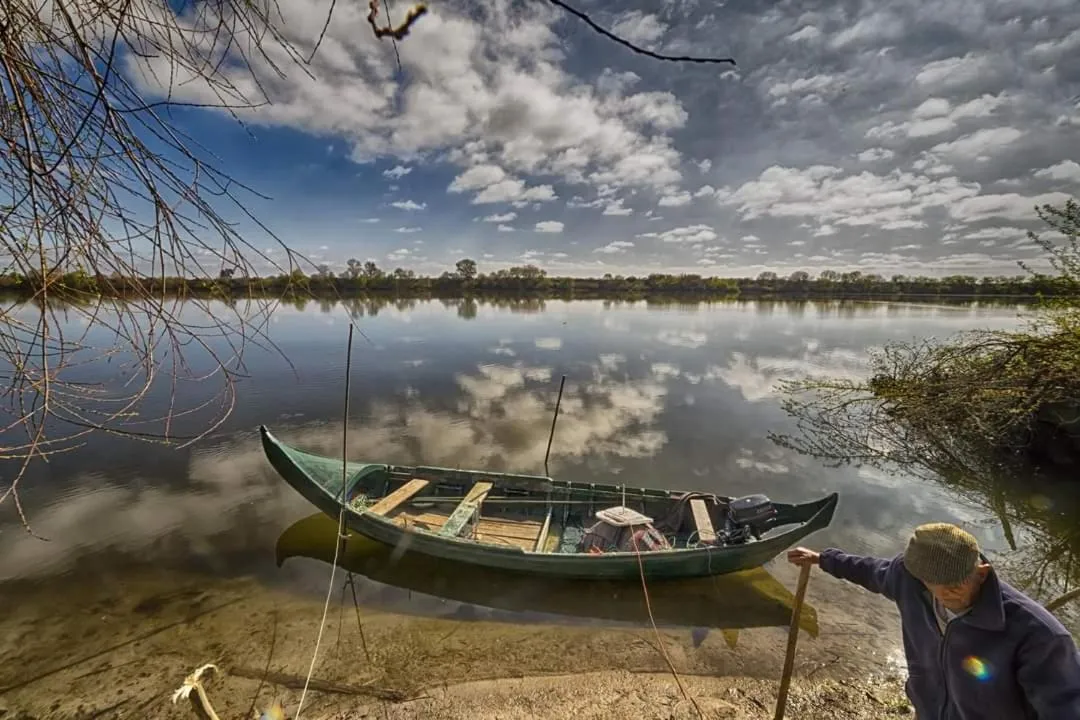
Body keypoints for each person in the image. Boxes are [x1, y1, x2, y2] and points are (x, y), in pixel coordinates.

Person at [787, 522, 1080, 719]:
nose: (951, 592)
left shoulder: (1039, 636)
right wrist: (822, 558)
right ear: (920, 579)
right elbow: (871, 571)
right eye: (940, 584)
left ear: (982, 571)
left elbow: (1065, 709)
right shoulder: (907, 580)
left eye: (960, 583)